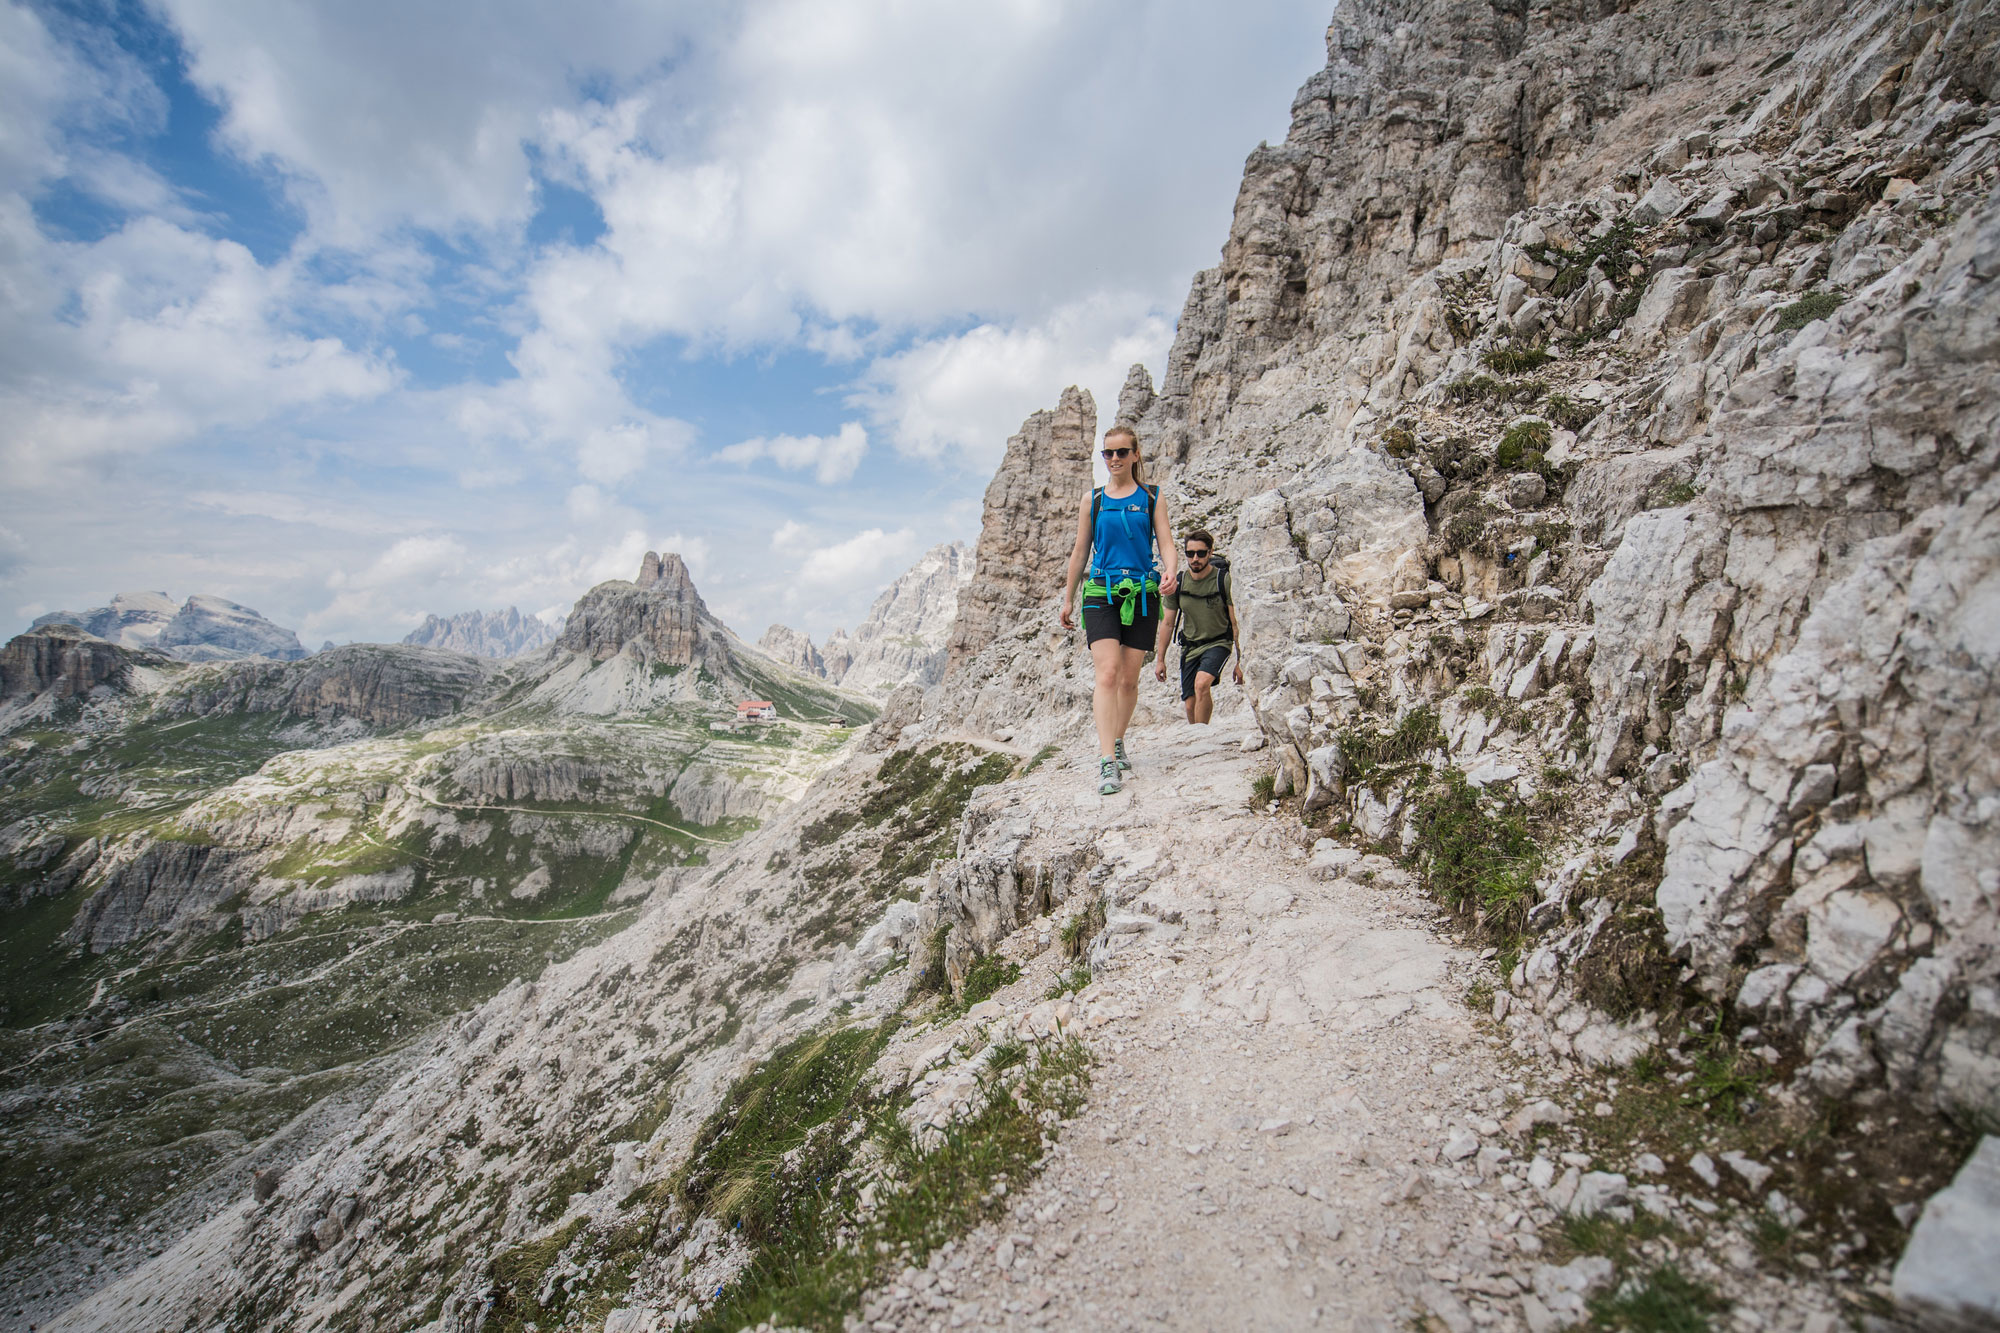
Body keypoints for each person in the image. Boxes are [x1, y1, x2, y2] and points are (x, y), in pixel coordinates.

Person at [1060, 425, 1177, 795]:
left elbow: (1167, 543)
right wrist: (1067, 598)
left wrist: (1171, 571)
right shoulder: (1092, 501)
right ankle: (1107, 761)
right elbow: (1081, 552)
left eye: (1121, 452)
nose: (1114, 459)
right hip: (1099, 592)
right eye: (1107, 453)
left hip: (1143, 593)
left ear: (1136, 455)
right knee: (1107, 674)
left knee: (1129, 679)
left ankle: (1120, 739)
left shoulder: (1152, 497)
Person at [1154, 528, 1243, 724]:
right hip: (1190, 647)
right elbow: (1168, 622)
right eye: (1190, 553)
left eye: (1201, 553)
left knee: (1202, 684)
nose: (1195, 558)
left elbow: (1235, 622)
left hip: (1218, 642)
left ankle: (1201, 733)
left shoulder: (1223, 580)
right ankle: (1197, 733)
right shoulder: (1178, 582)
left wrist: (1240, 660)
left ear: (1210, 553)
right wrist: (1160, 659)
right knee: (1189, 703)